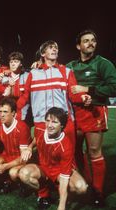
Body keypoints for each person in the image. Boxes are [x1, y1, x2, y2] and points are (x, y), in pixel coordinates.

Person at [66, 29, 116, 206]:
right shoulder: (71, 66)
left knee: (94, 151)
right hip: (75, 112)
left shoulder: (103, 64)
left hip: (94, 111)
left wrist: (88, 90)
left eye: (93, 40)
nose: (90, 43)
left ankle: (98, 192)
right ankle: (85, 185)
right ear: (78, 45)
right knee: (76, 151)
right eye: (86, 41)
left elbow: (113, 87)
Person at [16, 40, 91, 146]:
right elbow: (25, 97)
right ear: (43, 53)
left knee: (68, 156)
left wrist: (83, 97)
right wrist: (16, 112)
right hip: (41, 121)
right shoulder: (33, 74)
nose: (55, 49)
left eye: (56, 48)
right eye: (51, 47)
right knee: (44, 159)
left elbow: (73, 94)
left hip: (64, 122)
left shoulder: (66, 71)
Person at [19, 107, 88, 210]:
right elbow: (36, 138)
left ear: (62, 125)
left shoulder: (66, 146)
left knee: (81, 187)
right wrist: (29, 148)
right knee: (24, 174)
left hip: (59, 172)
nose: (49, 125)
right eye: (47, 120)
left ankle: (65, 197)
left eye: (55, 122)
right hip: (43, 168)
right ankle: (44, 193)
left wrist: (61, 206)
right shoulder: (40, 129)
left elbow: (64, 179)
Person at [0, 97, 31, 191]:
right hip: (5, 157)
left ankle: (19, 185)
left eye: (5, 112)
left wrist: (5, 166)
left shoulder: (22, 128)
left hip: (20, 159)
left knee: (13, 172)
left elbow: (23, 159)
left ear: (13, 113)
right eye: (0, 112)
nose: (2, 115)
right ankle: (4, 180)